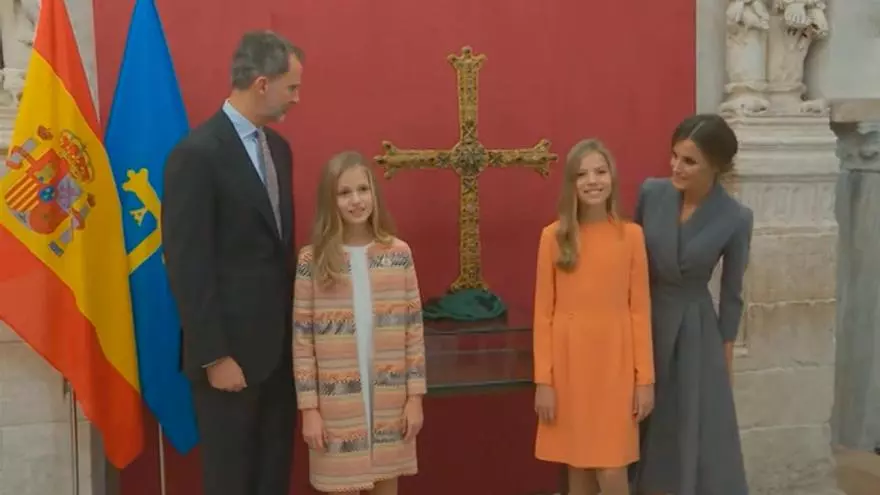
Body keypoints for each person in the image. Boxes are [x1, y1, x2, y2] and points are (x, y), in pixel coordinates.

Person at [161, 30, 303, 495]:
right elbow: (187, 265)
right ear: (262, 84)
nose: (297, 99)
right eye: (292, 88)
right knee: (231, 481)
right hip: (229, 359)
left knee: (271, 478)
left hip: (279, 356)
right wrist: (215, 355)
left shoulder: (279, 150)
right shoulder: (196, 155)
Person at [631, 113, 752, 495]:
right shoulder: (651, 193)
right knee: (637, 419)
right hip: (644, 320)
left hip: (696, 332)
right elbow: (630, 263)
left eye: (689, 161)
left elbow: (732, 294)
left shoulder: (736, 217)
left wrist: (725, 357)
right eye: (674, 156)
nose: (675, 167)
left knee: (687, 427)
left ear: (716, 166)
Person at [292, 151, 427, 495]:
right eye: (344, 193)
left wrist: (415, 398)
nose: (356, 201)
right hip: (337, 406)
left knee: (386, 481)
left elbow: (413, 332)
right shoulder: (313, 259)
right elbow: (303, 341)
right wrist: (310, 410)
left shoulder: (398, 254)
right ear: (330, 200)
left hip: (389, 401)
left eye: (362, 190)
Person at [532, 139, 655, 495]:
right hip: (570, 366)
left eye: (600, 171)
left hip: (616, 367)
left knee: (613, 469)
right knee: (579, 469)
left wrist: (644, 379)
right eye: (581, 174)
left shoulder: (630, 236)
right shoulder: (554, 237)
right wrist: (544, 381)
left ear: (612, 178)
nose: (592, 181)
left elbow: (640, 311)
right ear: (570, 183)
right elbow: (544, 314)